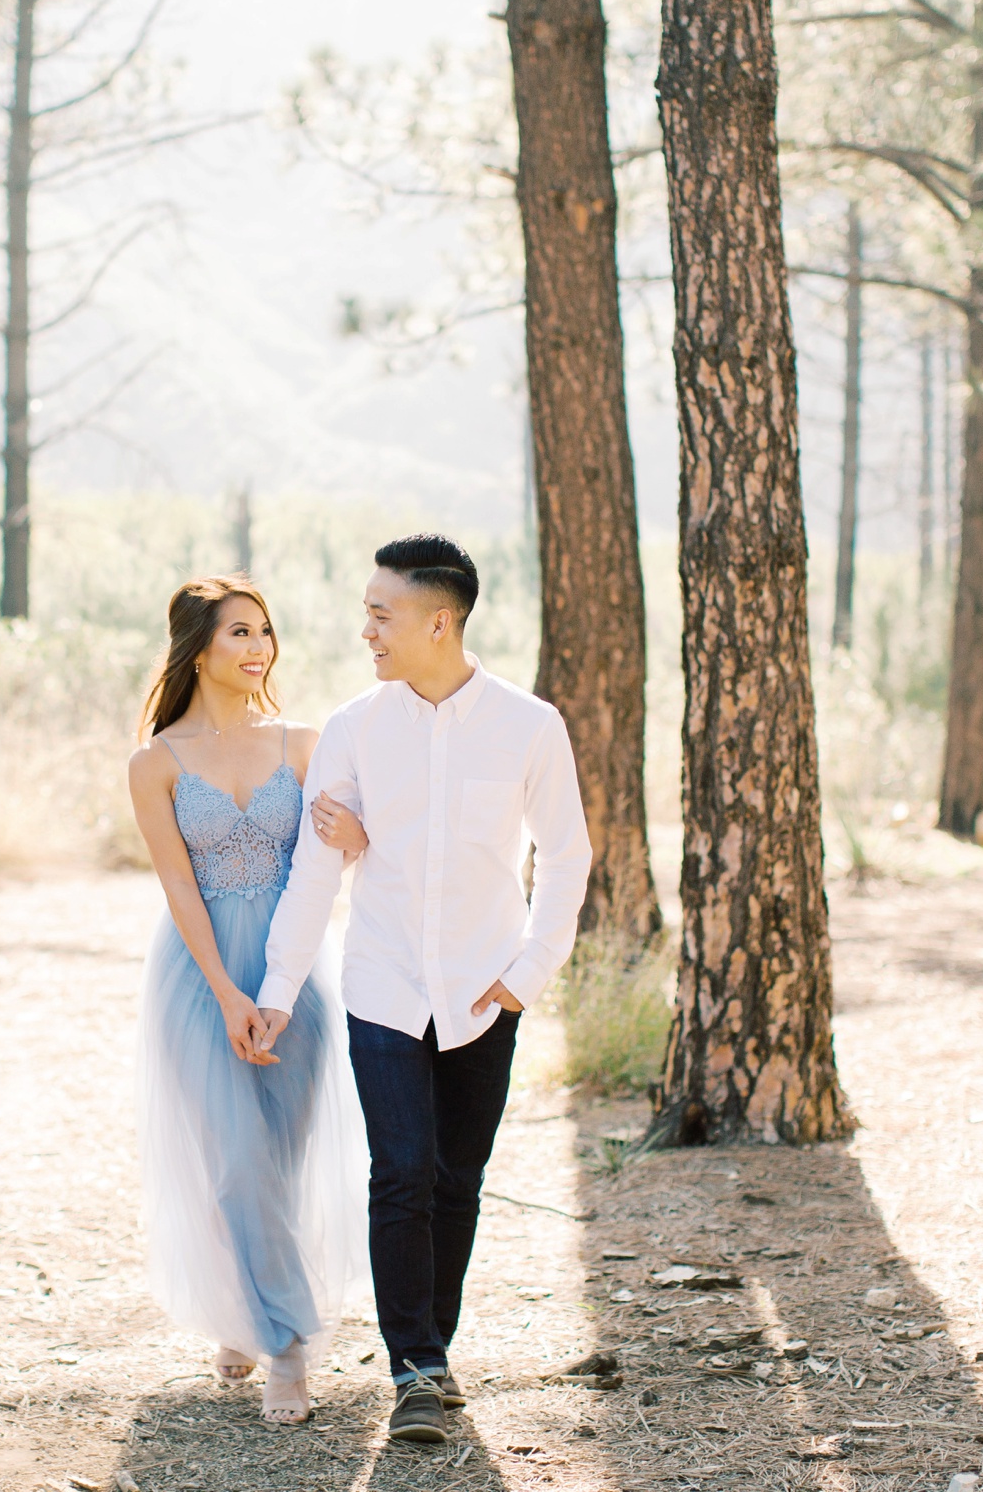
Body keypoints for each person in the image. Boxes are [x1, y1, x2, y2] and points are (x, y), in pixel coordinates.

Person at [255, 534, 592, 1444]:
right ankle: (415, 1367)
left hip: (487, 990)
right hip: (384, 983)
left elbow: (566, 856)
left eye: (382, 614)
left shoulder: (530, 726)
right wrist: (280, 987)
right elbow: (314, 873)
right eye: (366, 613)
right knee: (401, 1172)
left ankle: (433, 1349)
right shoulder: (353, 728)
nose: (366, 630)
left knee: (457, 1178)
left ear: (439, 622)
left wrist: (528, 973)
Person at [127, 575, 370, 1427]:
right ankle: (287, 1345)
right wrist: (228, 994)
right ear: (197, 648)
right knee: (233, 1160)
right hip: (202, 979)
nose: (259, 647)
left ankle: (243, 1311)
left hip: (294, 974)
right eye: (239, 632)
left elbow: (341, 852)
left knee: (280, 1160)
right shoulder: (155, 764)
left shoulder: (305, 744)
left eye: (265, 632)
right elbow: (178, 888)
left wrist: (358, 840)